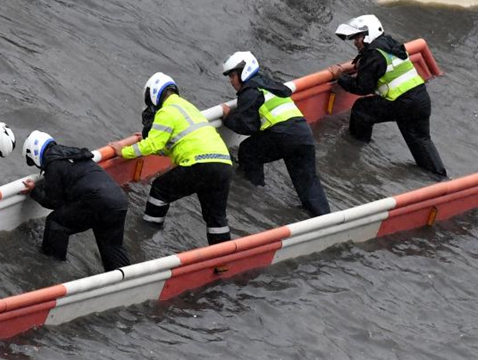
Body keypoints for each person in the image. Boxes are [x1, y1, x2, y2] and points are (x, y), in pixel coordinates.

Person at [109, 72, 233, 245]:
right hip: (223, 163)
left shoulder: (166, 111)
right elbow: (180, 142)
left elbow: (152, 145)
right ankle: (223, 261)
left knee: (160, 188)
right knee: (216, 217)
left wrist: (124, 151)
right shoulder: (188, 107)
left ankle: (148, 232)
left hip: (200, 163)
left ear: (152, 94)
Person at [329, 14, 447, 177]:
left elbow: (362, 87)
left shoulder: (373, 54)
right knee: (421, 140)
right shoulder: (390, 44)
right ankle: (440, 178)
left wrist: (340, 77)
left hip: (402, 103)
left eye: (358, 37)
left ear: (369, 35)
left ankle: (355, 148)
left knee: (361, 109)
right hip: (420, 99)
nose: (356, 42)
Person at [221, 51, 331, 217]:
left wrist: (228, 117)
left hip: (283, 133)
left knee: (248, 150)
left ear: (243, 73)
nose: (231, 81)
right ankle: (323, 218)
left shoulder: (250, 91)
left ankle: (252, 192)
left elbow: (247, 126)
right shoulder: (270, 84)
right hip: (303, 133)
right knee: (309, 183)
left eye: (232, 75)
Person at [21, 131, 131, 272]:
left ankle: (51, 268)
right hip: (117, 200)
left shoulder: (53, 164)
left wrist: (34, 191)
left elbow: (54, 202)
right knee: (112, 246)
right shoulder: (75, 154)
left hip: (97, 201)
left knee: (56, 223)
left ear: (34, 152)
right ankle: (124, 280)